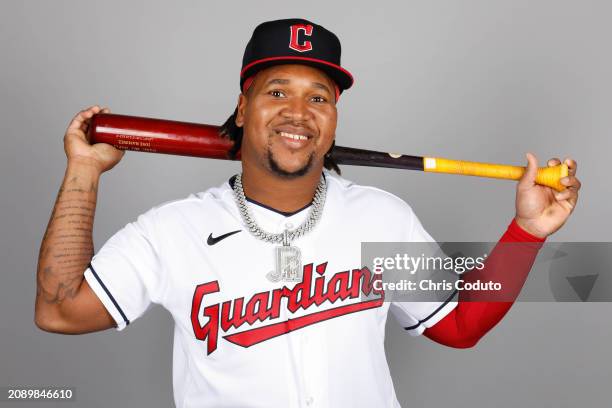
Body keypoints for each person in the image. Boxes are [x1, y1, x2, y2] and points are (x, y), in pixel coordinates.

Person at [35, 18, 581, 408]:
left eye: (319, 97)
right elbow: (60, 311)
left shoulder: (383, 218)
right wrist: (83, 171)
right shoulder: (170, 231)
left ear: (334, 118)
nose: (298, 112)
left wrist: (528, 232)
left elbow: (459, 325)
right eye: (277, 91)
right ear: (243, 109)